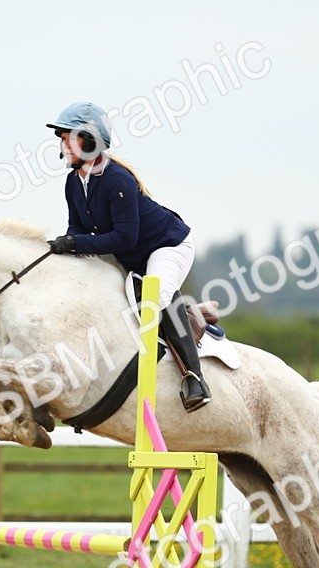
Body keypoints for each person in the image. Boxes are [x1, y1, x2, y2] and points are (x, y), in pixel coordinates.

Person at [45, 101, 211, 412]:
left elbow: (125, 237)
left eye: (69, 137)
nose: (62, 144)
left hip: (166, 245)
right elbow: (77, 229)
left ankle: (195, 378)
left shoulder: (116, 179)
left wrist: (75, 243)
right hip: (129, 255)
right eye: (62, 138)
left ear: (91, 141)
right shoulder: (73, 182)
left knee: (157, 293)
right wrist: (64, 251)